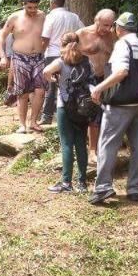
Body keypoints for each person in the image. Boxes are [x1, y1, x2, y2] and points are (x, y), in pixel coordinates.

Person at [89, 12, 138, 205]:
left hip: (120, 104)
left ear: (119, 28)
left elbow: (121, 71)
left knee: (108, 144)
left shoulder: (122, 45)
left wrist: (99, 88)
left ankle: (103, 188)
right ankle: (135, 189)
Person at [43, 32, 93, 193]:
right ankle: (82, 183)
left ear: (61, 44)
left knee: (66, 144)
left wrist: (53, 79)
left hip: (65, 106)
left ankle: (66, 183)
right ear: (78, 43)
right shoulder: (86, 60)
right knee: (81, 144)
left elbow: (45, 72)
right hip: (83, 107)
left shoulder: (61, 62)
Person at [0, 0, 46, 133]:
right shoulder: (14, 18)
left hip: (38, 57)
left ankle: (33, 121)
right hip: (20, 57)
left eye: (35, 7)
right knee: (23, 93)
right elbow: (2, 36)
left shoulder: (42, 16)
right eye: (29, 7)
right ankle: (22, 124)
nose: (32, 10)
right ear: (23, 4)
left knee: (40, 91)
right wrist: (3, 56)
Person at [77, 9, 116, 161]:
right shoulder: (82, 33)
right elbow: (65, 51)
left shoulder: (113, 35)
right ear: (96, 20)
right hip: (85, 79)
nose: (107, 29)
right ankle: (89, 149)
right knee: (87, 114)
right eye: (104, 25)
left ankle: (97, 148)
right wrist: (85, 50)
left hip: (105, 78)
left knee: (102, 115)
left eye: (110, 25)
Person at [39, 0, 84, 125]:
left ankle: (47, 116)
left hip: (53, 53)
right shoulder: (74, 16)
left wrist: (41, 52)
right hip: (71, 54)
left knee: (51, 85)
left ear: (52, 3)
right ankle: (71, 112)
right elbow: (82, 31)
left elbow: (45, 38)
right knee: (70, 82)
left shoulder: (51, 17)